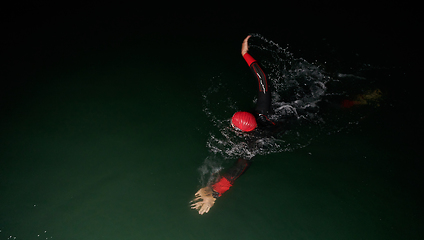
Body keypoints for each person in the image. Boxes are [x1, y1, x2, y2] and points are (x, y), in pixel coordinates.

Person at [191, 35, 279, 215]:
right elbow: (262, 79)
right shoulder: (262, 110)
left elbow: (240, 167)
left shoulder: (252, 142)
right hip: (278, 114)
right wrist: (245, 54)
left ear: (241, 130)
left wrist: (215, 193)